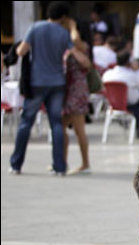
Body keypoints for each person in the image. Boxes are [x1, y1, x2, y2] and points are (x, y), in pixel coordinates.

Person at [8, 1, 79, 176]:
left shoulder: (35, 27)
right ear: (63, 17)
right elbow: (72, 51)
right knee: (56, 124)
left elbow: (21, 52)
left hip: (36, 81)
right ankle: (60, 166)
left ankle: (16, 164)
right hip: (57, 82)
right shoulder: (63, 33)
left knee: (26, 122)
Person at [62, 23, 92, 175]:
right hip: (66, 91)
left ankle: (85, 163)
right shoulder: (62, 46)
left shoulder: (80, 48)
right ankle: (62, 161)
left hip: (77, 93)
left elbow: (87, 64)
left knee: (79, 130)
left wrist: (73, 27)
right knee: (61, 128)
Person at [102, 50, 139, 138]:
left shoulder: (107, 74)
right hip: (132, 105)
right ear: (129, 62)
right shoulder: (131, 75)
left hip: (113, 105)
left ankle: (135, 126)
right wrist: (137, 70)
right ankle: (138, 126)